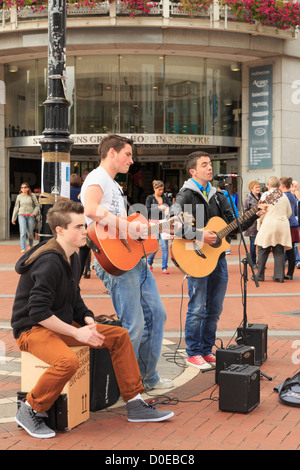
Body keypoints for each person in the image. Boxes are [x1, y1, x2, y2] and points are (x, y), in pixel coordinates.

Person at [11, 200, 174, 439]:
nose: (84, 231)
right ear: (60, 230)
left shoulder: (73, 256)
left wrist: (86, 319)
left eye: (83, 225)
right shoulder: (49, 262)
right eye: (77, 227)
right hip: (31, 329)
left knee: (119, 336)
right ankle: (30, 409)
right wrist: (77, 333)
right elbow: (37, 312)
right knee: (67, 362)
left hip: (59, 323)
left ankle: (135, 403)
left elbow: (74, 299)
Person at [80, 134, 173, 391]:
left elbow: (120, 224)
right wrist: (127, 227)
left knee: (157, 314)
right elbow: (90, 209)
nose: (131, 161)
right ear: (112, 152)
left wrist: (144, 227)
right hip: (114, 262)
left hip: (130, 259)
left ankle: (146, 377)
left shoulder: (113, 184)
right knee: (134, 324)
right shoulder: (98, 177)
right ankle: (126, 386)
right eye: (128, 154)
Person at [171, 151, 266, 370]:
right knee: (196, 307)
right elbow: (174, 225)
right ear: (193, 171)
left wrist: (254, 214)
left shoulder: (218, 195)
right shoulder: (186, 195)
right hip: (196, 257)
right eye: (204, 165)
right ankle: (193, 352)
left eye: (210, 164)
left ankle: (205, 349)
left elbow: (235, 224)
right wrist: (200, 235)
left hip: (219, 259)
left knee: (214, 308)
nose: (210, 168)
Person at [255, 176, 292, 283]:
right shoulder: (283, 195)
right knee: (279, 251)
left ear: (268, 184)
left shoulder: (267, 195)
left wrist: (259, 224)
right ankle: (279, 276)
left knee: (263, 249)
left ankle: (260, 275)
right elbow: (289, 212)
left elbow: (261, 212)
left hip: (269, 224)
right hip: (282, 225)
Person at [145, 180, 172, 274]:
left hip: (164, 222)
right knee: (155, 245)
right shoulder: (150, 198)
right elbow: (147, 209)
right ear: (154, 189)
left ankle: (164, 267)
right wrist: (158, 208)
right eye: (159, 190)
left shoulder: (164, 198)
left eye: (162, 190)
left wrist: (168, 208)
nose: (161, 191)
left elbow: (172, 206)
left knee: (165, 246)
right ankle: (149, 262)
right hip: (154, 222)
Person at [280, 177, 300, 279]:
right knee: (291, 249)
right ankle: (290, 273)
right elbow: (295, 210)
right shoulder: (292, 196)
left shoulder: (283, 196)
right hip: (293, 224)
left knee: (282, 250)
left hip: (287, 225)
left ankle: (281, 273)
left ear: (282, 186)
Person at [11, 182, 39, 253]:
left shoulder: (32, 195)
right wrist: (13, 218)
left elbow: (37, 205)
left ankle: (30, 244)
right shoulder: (19, 196)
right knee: (23, 232)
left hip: (30, 216)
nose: (23, 188)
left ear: (28, 188)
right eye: (22, 187)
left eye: (25, 187)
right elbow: (16, 207)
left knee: (30, 233)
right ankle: (23, 248)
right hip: (21, 215)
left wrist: (34, 213)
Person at [243, 180, 261, 268]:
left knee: (261, 245)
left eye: (258, 187)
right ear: (251, 189)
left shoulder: (262, 197)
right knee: (253, 244)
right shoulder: (247, 198)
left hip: (262, 224)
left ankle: (260, 262)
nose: (258, 189)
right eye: (256, 187)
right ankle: (253, 262)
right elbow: (245, 212)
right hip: (252, 225)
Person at [291, 180, 300, 268]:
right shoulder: (288, 197)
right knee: (293, 243)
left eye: (296, 187)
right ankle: (297, 260)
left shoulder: (298, 197)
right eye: (293, 186)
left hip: (297, 222)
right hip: (292, 223)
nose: (294, 189)